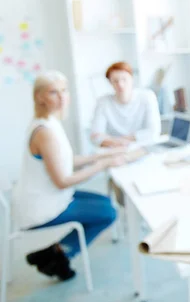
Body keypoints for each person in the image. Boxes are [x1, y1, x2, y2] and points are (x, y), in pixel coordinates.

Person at [13, 70, 126, 281]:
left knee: (104, 202)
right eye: (54, 92)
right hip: (43, 207)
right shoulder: (45, 132)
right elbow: (63, 181)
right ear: (40, 97)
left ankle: (54, 253)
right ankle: (60, 255)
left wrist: (102, 155)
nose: (62, 97)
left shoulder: (48, 122)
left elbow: (67, 161)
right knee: (109, 212)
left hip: (47, 196)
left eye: (64, 91)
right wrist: (103, 163)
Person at [90, 61, 161, 148]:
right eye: (115, 81)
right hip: (116, 150)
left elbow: (154, 131)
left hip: (143, 148)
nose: (120, 84)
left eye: (124, 79)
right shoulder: (103, 102)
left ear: (132, 78)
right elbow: (95, 136)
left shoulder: (147, 97)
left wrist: (120, 140)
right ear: (110, 82)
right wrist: (119, 143)